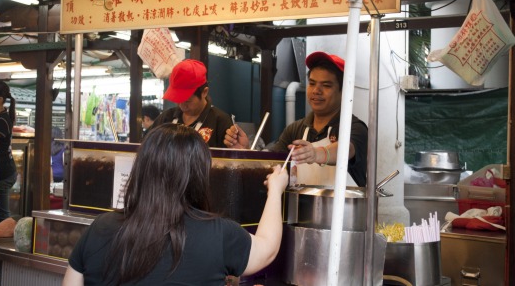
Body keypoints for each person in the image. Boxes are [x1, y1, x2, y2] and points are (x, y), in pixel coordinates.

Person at [63, 123, 288, 285]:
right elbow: (267, 249)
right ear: (199, 175)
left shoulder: (99, 228)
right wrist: (275, 190)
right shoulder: (219, 234)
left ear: (142, 168)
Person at [224, 51, 368, 187]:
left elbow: (345, 150)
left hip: (345, 212)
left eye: (326, 85)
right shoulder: (295, 129)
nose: (316, 91)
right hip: (299, 210)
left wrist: (317, 153)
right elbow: (271, 163)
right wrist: (246, 150)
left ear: (344, 91)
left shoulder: (355, 128)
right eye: (312, 83)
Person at [149, 59, 232, 148]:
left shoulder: (220, 122)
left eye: (187, 101)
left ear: (204, 92)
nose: (181, 105)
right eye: (178, 99)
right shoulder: (166, 118)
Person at [0, 81, 17, 224]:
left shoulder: (2, 120)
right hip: (1, 170)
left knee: (3, 215)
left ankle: (7, 240)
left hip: (4, 173)